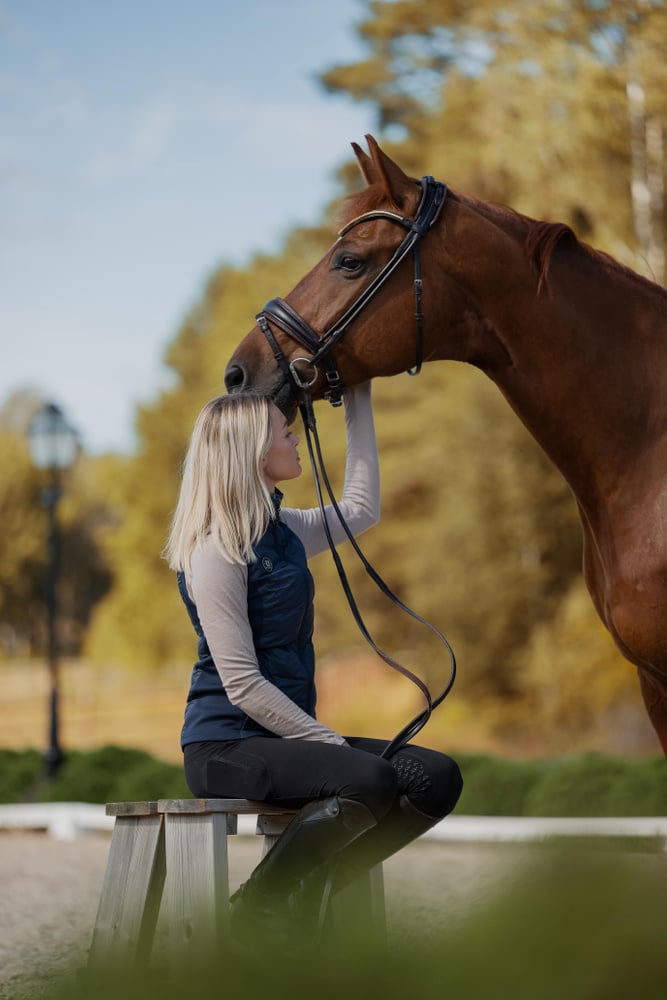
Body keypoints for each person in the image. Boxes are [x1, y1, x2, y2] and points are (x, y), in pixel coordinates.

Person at [164, 382, 462, 947]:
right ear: (253, 451)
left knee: (435, 778)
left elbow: (360, 509)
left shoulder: (285, 532)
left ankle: (310, 888)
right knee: (370, 778)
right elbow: (244, 684)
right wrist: (327, 742)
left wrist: (358, 396)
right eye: (283, 431)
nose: (293, 437)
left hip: (290, 740)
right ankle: (258, 907)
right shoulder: (214, 550)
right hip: (225, 745)